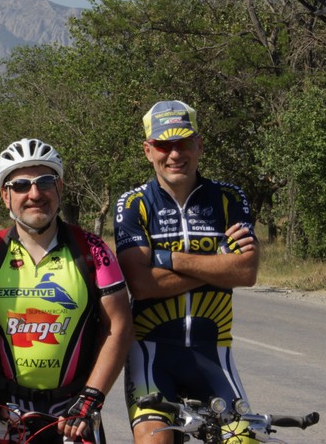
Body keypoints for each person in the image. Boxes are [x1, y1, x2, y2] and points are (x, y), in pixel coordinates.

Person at [0, 138, 132, 443]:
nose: (35, 194)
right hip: (8, 411)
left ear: (59, 187)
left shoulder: (92, 249)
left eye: (45, 182)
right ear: (5, 195)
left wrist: (91, 397)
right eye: (21, 185)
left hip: (74, 413)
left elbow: (119, 326)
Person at [113, 101, 260, 444]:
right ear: (148, 151)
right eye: (163, 145)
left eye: (183, 143)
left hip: (214, 351)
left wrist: (166, 258)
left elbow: (246, 272)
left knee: (243, 439)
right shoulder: (133, 204)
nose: (175, 154)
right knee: (155, 440)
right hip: (150, 352)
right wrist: (219, 265)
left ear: (200, 145)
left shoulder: (229, 198)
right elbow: (141, 284)